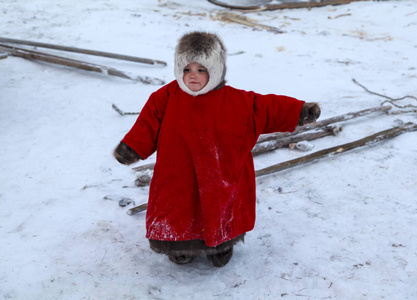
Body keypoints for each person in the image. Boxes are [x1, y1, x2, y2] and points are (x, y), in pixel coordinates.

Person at [114, 31, 320, 267]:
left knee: (220, 210)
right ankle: (179, 244)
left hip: (220, 175)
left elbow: (267, 108)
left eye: (201, 70)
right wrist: (131, 147)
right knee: (177, 210)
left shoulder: (238, 102)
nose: (193, 76)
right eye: (187, 69)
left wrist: (299, 111)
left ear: (216, 70)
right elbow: (147, 125)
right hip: (177, 174)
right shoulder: (166, 97)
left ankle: (220, 246)